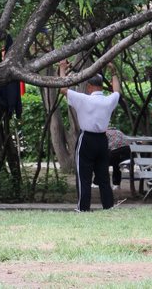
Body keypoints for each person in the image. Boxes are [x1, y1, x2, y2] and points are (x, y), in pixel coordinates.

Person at [60, 61, 121, 212]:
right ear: (101, 86)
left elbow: (63, 89)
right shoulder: (108, 101)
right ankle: (108, 206)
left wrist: (62, 69)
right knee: (104, 177)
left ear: (89, 87)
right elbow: (117, 92)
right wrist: (113, 72)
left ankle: (83, 208)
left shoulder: (83, 98)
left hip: (86, 139)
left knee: (84, 177)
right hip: (102, 140)